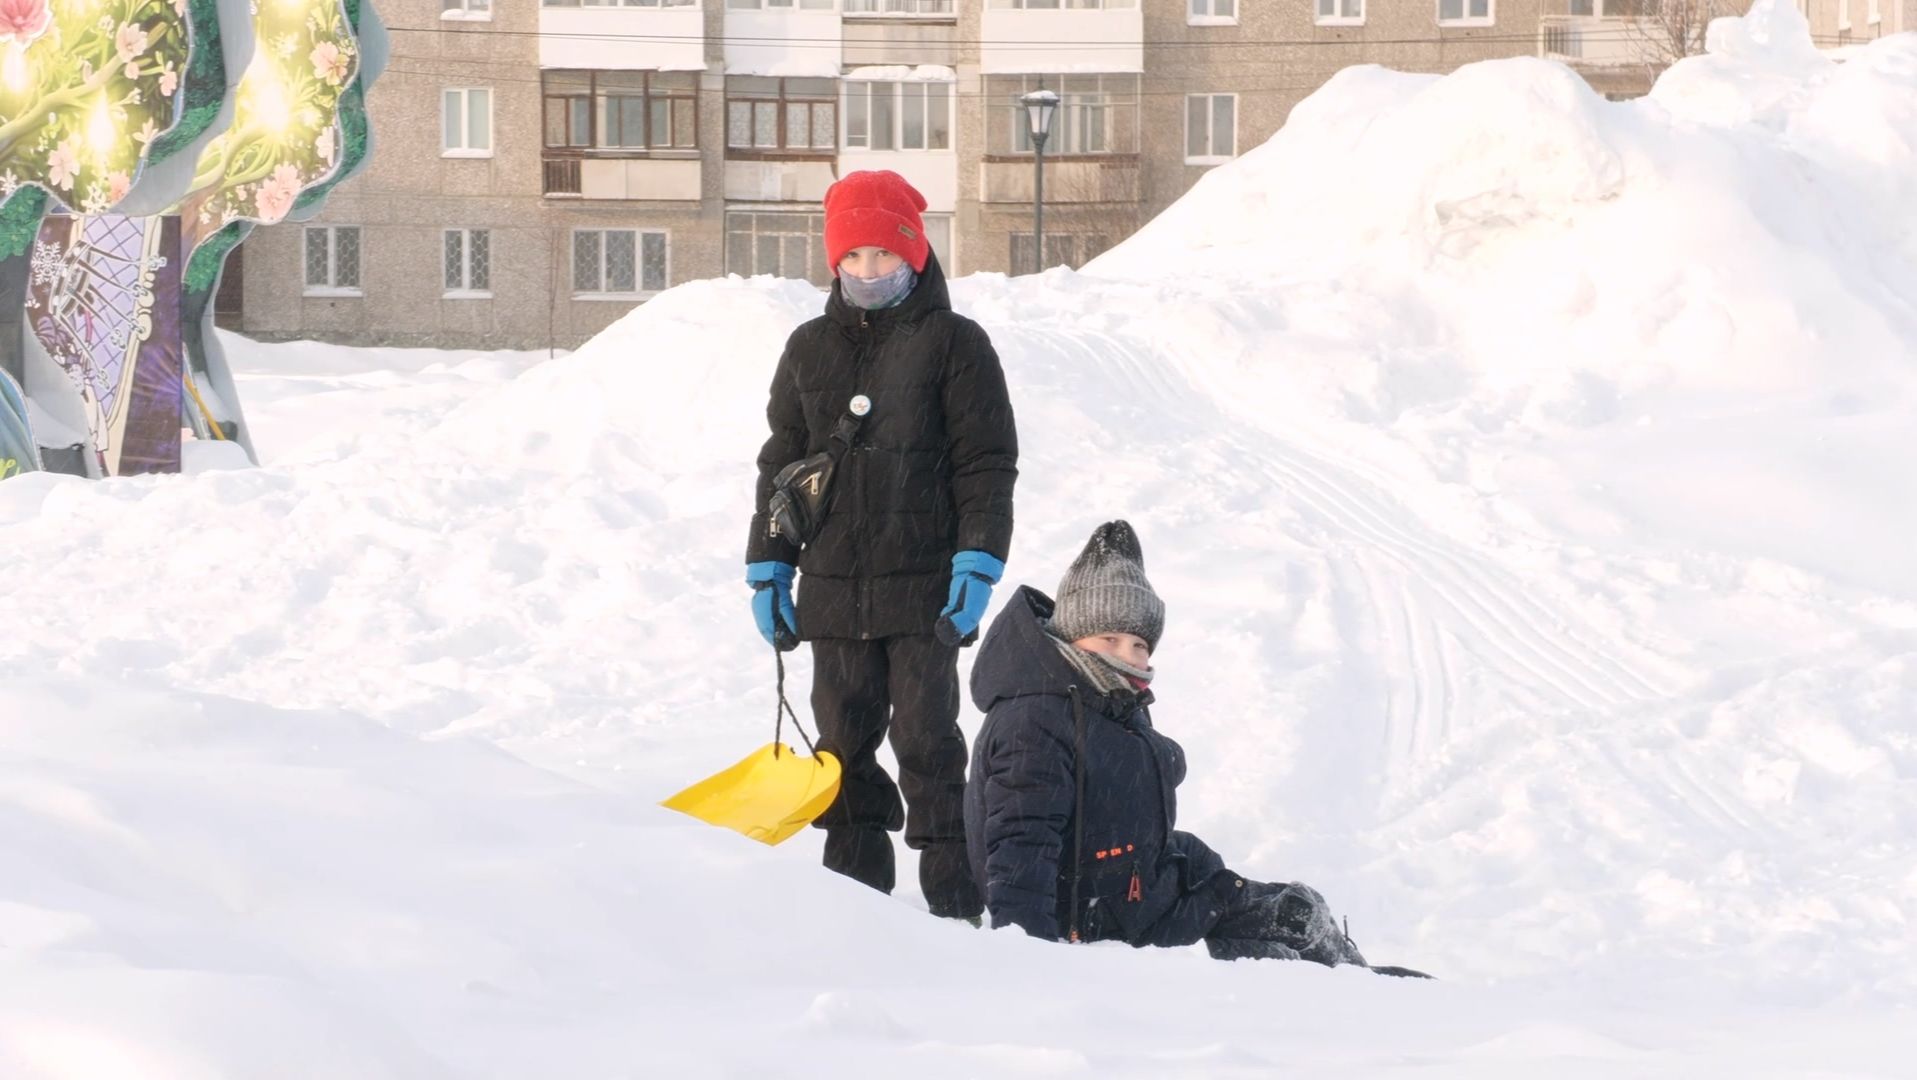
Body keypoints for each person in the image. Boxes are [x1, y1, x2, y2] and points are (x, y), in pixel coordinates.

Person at [964, 521, 1425, 974]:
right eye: (1109, 638)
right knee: (1283, 931)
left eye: (1140, 643)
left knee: (1295, 912)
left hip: (1135, 893)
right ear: (1070, 635)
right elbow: (1021, 851)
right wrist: (1031, 966)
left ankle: (1346, 982)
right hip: (1095, 922)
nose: (1129, 655)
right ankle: (1330, 991)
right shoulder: (1036, 719)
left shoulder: (1108, 700)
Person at [745, 170, 1017, 922]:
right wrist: (768, 566)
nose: (868, 272)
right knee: (841, 744)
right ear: (833, 262)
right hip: (830, 585)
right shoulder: (807, 348)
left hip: (923, 584)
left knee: (927, 741)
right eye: (853, 257)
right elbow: (782, 462)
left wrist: (976, 561)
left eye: (883, 255)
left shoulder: (954, 344)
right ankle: (853, 908)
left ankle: (956, 904)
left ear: (914, 254)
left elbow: (984, 462)